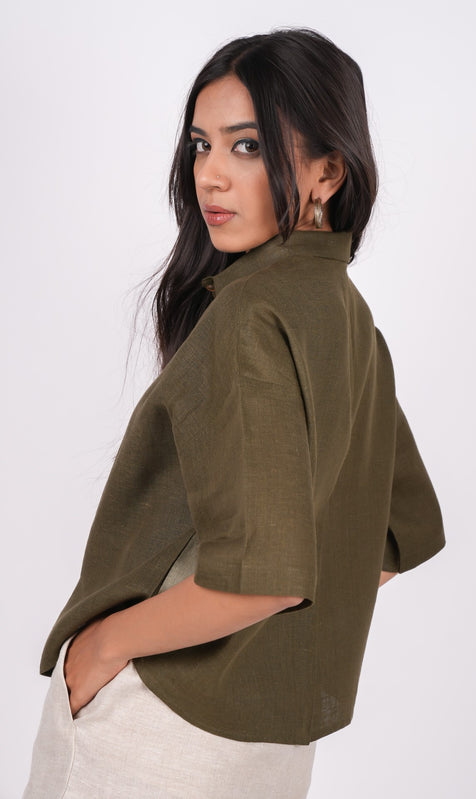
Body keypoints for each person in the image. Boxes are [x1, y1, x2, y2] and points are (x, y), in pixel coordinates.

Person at [23, 27, 445, 799]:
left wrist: (103, 645)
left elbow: (262, 581)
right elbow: (391, 533)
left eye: (246, 146)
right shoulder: (347, 317)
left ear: (327, 171)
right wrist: (266, 654)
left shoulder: (251, 314)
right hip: (269, 752)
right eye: (200, 145)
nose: (209, 175)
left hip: (155, 730)